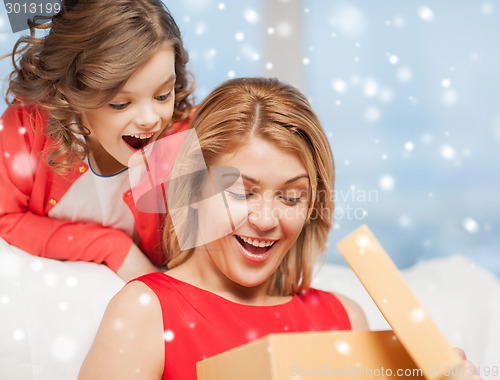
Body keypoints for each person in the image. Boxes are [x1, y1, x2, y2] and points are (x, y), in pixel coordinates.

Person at [78, 77, 369, 380]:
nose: (266, 220)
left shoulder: (346, 320)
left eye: (292, 197)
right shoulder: (145, 312)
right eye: (242, 192)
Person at [0, 0, 194, 281]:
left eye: (163, 95)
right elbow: (5, 217)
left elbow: (209, 256)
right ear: (71, 94)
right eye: (121, 103)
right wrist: (111, 247)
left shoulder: (186, 136)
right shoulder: (29, 121)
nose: (150, 119)